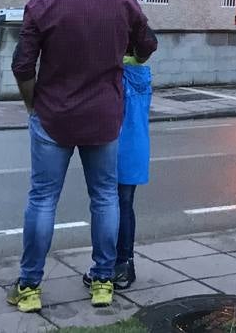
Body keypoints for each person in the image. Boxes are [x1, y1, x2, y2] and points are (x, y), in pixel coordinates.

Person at [6, 0, 158, 313]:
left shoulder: (43, 2)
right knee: (105, 198)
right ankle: (103, 282)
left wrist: (32, 105)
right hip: (104, 118)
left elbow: (22, 65)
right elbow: (147, 47)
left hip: (53, 116)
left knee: (42, 200)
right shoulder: (124, 1)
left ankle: (29, 287)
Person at [82, 45, 154, 291]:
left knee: (106, 205)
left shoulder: (113, 72)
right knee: (125, 205)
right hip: (136, 147)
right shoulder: (142, 73)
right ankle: (125, 264)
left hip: (112, 145)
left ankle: (106, 266)